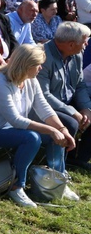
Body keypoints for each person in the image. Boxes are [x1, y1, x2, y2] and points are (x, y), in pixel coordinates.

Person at [0, 45, 78, 207]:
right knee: (31, 138)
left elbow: (45, 109)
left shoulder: (30, 81)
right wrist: (52, 130)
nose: (41, 68)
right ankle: (17, 186)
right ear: (26, 65)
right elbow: (16, 120)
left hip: (15, 129)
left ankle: (57, 181)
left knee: (53, 134)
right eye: (38, 64)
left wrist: (62, 130)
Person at [35, 22, 91, 171]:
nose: (87, 44)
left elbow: (79, 84)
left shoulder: (76, 54)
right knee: (70, 122)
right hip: (42, 107)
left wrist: (86, 108)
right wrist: (72, 111)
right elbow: (43, 96)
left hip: (65, 101)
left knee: (88, 114)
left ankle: (78, 158)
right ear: (71, 44)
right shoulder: (43, 56)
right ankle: (56, 169)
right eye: (85, 40)